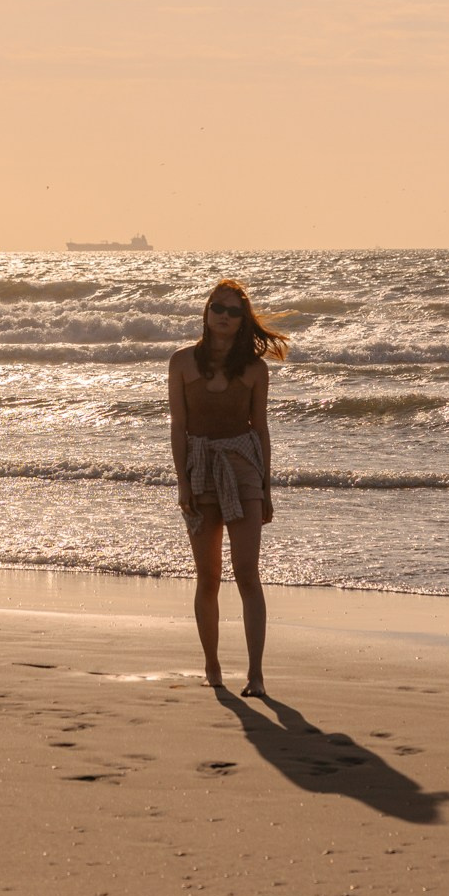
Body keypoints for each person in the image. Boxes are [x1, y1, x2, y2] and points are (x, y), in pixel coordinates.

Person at [169, 280, 288, 696]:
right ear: (206, 312)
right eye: (218, 308)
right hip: (200, 467)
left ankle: (256, 675)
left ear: (243, 322)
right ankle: (212, 665)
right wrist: (182, 481)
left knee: (248, 575)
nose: (224, 315)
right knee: (208, 578)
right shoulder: (182, 362)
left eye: (235, 312)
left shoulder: (256, 370)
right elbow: (179, 427)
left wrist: (267, 488)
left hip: (243, 467)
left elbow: (261, 429)